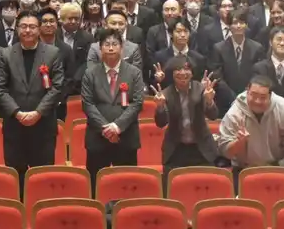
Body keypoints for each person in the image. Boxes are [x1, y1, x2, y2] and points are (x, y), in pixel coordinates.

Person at [0, 10, 65, 178]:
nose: (27, 30)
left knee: (42, 177)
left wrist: (38, 112)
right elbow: (0, 88)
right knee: (15, 177)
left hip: (43, 127)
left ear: (39, 29)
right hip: (15, 126)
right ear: (17, 29)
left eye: (32, 27)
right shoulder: (6, 54)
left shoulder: (52, 53)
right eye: (23, 26)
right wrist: (17, 113)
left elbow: (57, 87)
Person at [81, 28, 144, 179]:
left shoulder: (134, 72)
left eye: (114, 44)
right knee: (96, 184)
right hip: (97, 138)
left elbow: (137, 103)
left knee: (126, 184)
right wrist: (106, 128)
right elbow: (87, 104)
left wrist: (117, 126)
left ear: (122, 48)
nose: (110, 48)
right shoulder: (90, 73)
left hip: (126, 137)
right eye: (106, 44)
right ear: (100, 48)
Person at [218, 75, 284, 171]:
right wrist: (239, 143)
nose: (257, 101)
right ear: (247, 92)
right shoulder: (234, 113)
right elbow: (225, 151)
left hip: (278, 167)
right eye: (253, 95)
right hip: (243, 169)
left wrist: (278, 166)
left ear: (270, 96)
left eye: (262, 97)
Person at [153, 54, 219, 174]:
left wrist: (209, 101)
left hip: (201, 149)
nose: (182, 72)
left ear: (192, 73)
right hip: (176, 150)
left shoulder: (201, 89)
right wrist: (160, 107)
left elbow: (213, 116)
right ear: (172, 74)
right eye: (178, 69)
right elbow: (161, 123)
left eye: (186, 68)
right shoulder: (166, 93)